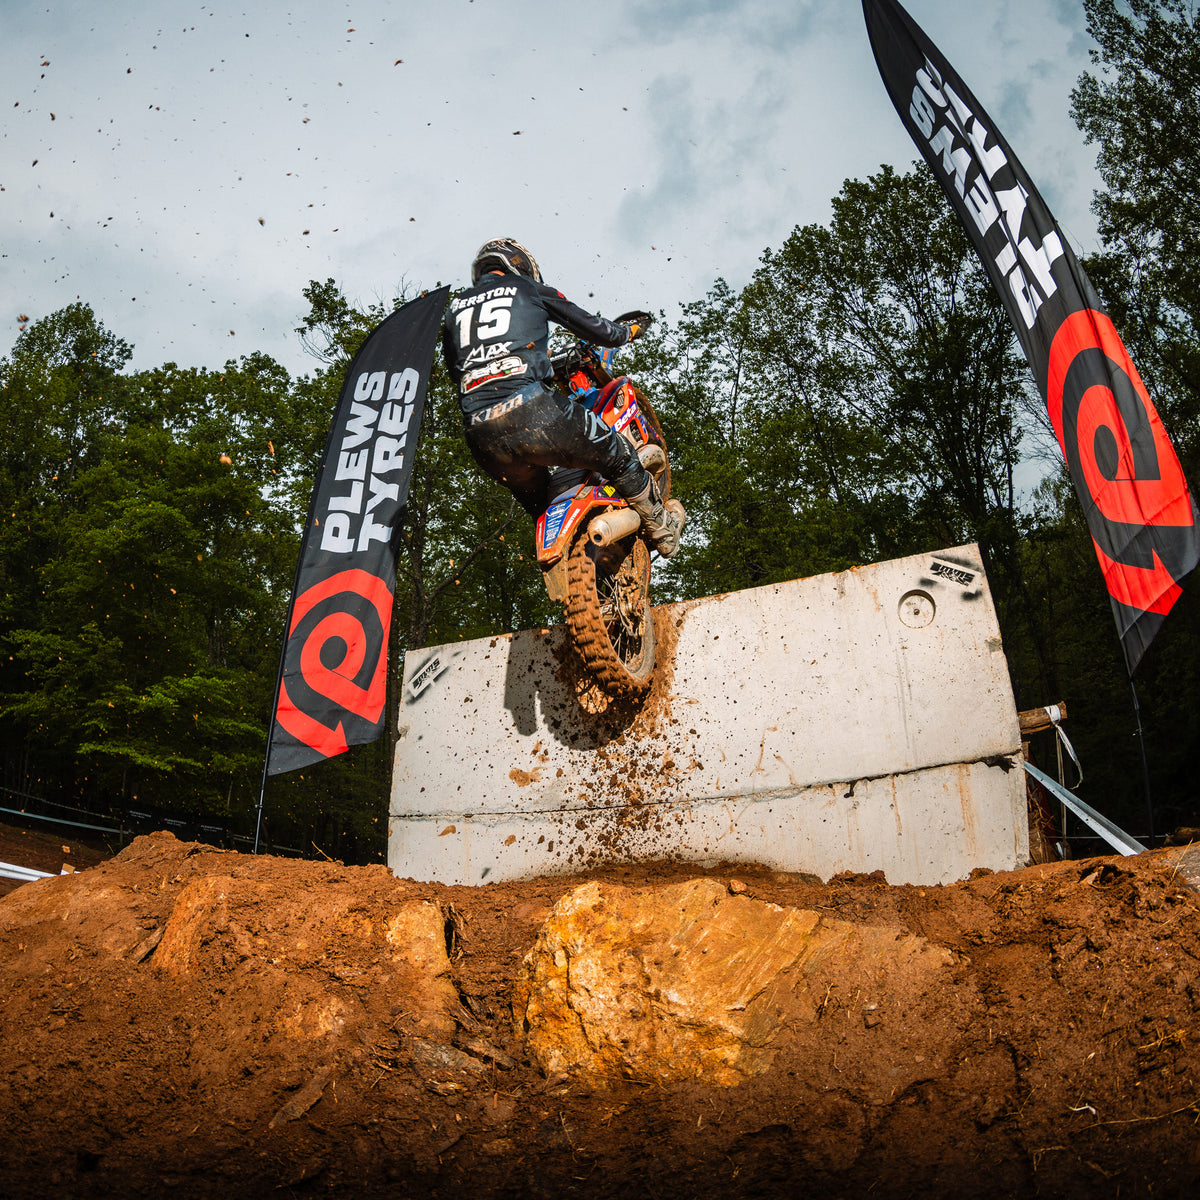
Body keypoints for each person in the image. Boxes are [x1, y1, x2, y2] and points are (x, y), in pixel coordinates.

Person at [442, 237, 685, 557]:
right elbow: (598, 330)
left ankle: (581, 566)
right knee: (618, 454)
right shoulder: (528, 289)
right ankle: (663, 529)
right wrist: (628, 331)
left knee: (544, 505)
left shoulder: (453, 311)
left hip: (481, 439)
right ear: (519, 263)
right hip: (533, 412)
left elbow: (458, 373)